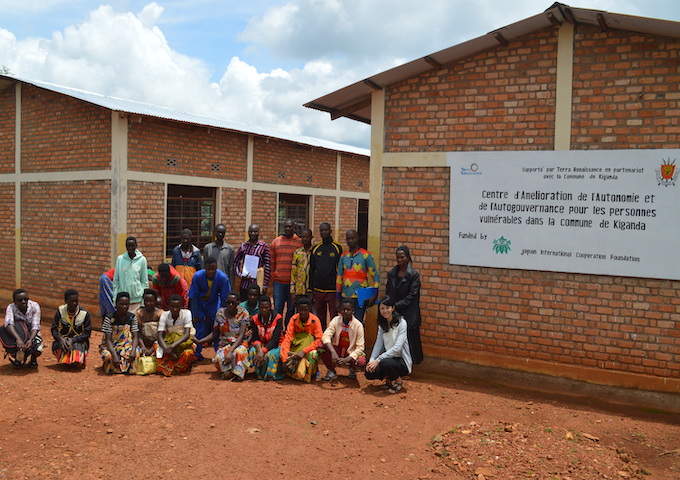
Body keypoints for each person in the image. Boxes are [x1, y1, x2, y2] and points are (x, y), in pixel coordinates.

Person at [194, 292, 250, 380]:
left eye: (233, 303)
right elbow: (214, 333)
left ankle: (238, 373)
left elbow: (241, 336)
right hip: (224, 344)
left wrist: (230, 351)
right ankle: (233, 372)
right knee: (219, 359)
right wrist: (200, 342)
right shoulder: (220, 313)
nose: (230, 305)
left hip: (239, 343)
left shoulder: (243, 313)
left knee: (237, 354)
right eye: (228, 302)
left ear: (238, 303)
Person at [365, 296, 412, 394]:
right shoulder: (382, 325)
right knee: (369, 372)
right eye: (382, 308)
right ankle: (389, 378)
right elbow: (378, 343)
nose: (385, 311)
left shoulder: (401, 323)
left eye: (387, 308)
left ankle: (398, 381)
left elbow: (397, 348)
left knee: (384, 363)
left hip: (401, 361)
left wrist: (378, 360)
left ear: (393, 308)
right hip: (388, 359)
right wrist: (371, 361)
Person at [188, 256, 231, 360]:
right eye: (209, 269)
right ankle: (197, 353)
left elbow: (225, 297)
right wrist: (195, 314)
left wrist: (222, 314)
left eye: (213, 269)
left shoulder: (222, 277)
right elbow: (193, 296)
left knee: (217, 327)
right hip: (200, 303)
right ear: (204, 268)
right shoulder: (197, 276)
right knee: (199, 328)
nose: (211, 271)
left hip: (214, 303)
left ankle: (218, 352)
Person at [386, 245, 423, 365]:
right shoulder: (392, 274)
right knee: (396, 340)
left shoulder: (413, 275)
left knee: (411, 342)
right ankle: (399, 365)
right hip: (395, 312)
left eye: (402, 257)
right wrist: (389, 306)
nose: (400, 260)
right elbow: (388, 292)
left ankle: (411, 366)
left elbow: (412, 296)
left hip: (409, 313)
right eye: (397, 257)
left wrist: (396, 305)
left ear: (408, 258)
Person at [336, 229, 379, 322]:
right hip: (345, 297)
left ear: (357, 238)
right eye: (348, 239)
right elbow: (339, 277)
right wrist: (337, 297)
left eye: (353, 238)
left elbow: (375, 276)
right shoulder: (343, 256)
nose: (350, 241)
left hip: (360, 298)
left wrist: (375, 294)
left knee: (357, 324)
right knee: (345, 324)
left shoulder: (366, 255)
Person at [321, 298, 366, 382]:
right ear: (339, 310)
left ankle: (352, 369)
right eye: (343, 309)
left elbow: (360, 347)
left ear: (353, 311)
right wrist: (333, 352)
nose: (345, 312)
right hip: (338, 349)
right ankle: (331, 370)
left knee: (360, 361)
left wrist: (348, 359)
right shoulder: (335, 320)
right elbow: (326, 336)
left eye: (348, 309)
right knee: (320, 346)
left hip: (350, 351)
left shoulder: (358, 325)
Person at [280, 296, 323, 382]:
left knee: (314, 354)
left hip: (309, 350)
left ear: (310, 309)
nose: (303, 312)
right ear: (297, 309)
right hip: (295, 349)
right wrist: (284, 359)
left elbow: (319, 340)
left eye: (305, 310)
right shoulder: (293, 319)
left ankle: (312, 372)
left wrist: (303, 351)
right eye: (301, 310)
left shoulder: (315, 320)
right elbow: (287, 339)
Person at [309, 222, 343, 330]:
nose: (324, 232)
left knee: (334, 318)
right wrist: (311, 290)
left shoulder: (337, 248)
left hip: (332, 290)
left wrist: (339, 291)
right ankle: (322, 340)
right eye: (322, 230)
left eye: (326, 230)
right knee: (320, 318)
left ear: (330, 231)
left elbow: (340, 270)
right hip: (318, 290)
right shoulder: (315, 249)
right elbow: (311, 270)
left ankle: (333, 340)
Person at [270, 219, 302, 325]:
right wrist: (273, 276)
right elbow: (272, 262)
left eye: (290, 226)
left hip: (293, 284)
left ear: (294, 228)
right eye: (286, 226)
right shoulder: (276, 242)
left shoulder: (299, 242)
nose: (288, 229)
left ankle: (289, 331)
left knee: (291, 309)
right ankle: (277, 331)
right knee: (278, 308)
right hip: (279, 282)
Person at [0, 289, 43, 367]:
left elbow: (35, 325)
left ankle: (33, 359)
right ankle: (18, 358)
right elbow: (8, 324)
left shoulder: (34, 306)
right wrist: (18, 339)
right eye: (20, 300)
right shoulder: (11, 307)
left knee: (38, 349)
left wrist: (30, 340)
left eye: (26, 299)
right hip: (17, 334)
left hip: (31, 333)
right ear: (14, 301)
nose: (23, 302)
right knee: (14, 346)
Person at [100, 292, 138, 374]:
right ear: (116, 304)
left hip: (127, 346)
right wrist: (114, 354)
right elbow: (108, 340)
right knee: (108, 356)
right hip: (111, 346)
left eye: (126, 304)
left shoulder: (132, 317)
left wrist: (133, 350)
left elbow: (135, 336)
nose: (124, 307)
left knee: (136, 352)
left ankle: (123, 368)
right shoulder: (109, 318)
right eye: (121, 304)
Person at [247, 295, 284, 381]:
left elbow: (275, 339)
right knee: (252, 352)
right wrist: (260, 350)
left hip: (277, 344)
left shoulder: (278, 318)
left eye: (266, 307)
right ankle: (259, 374)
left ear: (270, 307)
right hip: (262, 343)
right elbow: (255, 337)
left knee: (271, 355)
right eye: (262, 307)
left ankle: (272, 375)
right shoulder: (255, 319)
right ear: (258, 307)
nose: (264, 310)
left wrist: (263, 351)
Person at [156, 294, 195, 376]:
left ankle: (176, 367)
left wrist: (172, 347)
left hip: (183, 343)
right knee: (156, 345)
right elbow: (159, 335)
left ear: (181, 306)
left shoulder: (187, 313)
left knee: (188, 353)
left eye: (177, 307)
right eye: (172, 307)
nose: (175, 309)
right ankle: (175, 366)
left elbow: (187, 334)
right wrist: (168, 350)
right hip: (169, 342)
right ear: (168, 306)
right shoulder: (164, 315)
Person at [51, 289, 92, 367]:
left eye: (76, 301)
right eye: (71, 301)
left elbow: (87, 333)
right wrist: (61, 339)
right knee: (59, 346)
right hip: (64, 340)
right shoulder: (60, 311)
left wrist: (73, 340)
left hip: (79, 341)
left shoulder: (84, 314)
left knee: (76, 352)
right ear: (66, 301)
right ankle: (68, 359)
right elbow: (54, 329)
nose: (74, 303)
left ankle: (78, 358)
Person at [234, 224, 271, 299]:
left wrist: (265, 284)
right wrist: (240, 275)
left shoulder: (264, 247)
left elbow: (268, 266)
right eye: (251, 231)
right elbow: (236, 263)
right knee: (244, 307)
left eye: (255, 231)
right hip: (245, 284)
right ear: (248, 232)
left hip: (258, 283)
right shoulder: (243, 246)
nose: (253, 233)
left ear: (259, 232)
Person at [113, 236, 149, 311]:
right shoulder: (120, 259)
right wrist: (115, 299)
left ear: (136, 246)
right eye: (128, 246)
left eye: (132, 246)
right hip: (123, 301)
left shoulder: (142, 260)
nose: (130, 248)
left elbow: (144, 282)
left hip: (137, 300)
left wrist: (143, 300)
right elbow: (116, 281)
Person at [203, 223, 235, 288]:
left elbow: (231, 269)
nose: (220, 234)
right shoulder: (208, 248)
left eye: (222, 233)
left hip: (224, 281)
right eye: (218, 232)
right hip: (210, 281)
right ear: (214, 233)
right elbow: (204, 266)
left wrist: (231, 285)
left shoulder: (229, 249)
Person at [290, 227, 313, 307]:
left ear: (311, 237)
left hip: (311, 290)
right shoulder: (297, 252)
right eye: (303, 237)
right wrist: (292, 291)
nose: (305, 239)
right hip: (299, 290)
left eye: (307, 237)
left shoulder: (315, 251)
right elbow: (293, 273)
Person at [135, 288, 163, 357]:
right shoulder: (139, 313)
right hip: (143, 343)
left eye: (151, 301)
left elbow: (161, 334)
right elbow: (138, 332)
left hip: (158, 343)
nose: (148, 303)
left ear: (155, 301)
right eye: (146, 301)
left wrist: (152, 349)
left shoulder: (160, 313)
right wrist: (143, 346)